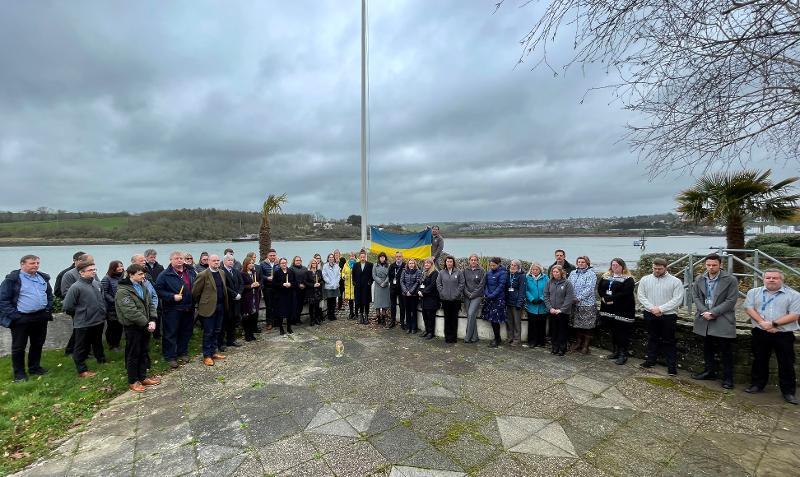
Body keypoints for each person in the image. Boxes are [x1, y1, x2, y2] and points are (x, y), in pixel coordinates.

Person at [743, 269, 800, 405]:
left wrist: (774, 324)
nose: (771, 280)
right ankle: (757, 384)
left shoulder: (794, 295)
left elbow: (794, 315)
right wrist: (763, 323)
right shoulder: (754, 292)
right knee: (759, 359)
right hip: (760, 332)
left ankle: (788, 392)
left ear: (781, 280)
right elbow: (749, 308)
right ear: (764, 279)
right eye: (768, 278)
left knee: (786, 363)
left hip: (783, 334)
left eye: (775, 278)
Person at [0, 255, 54, 382]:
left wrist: (47, 309)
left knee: (37, 343)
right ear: (22, 264)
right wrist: (15, 316)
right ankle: (19, 374)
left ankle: (34, 367)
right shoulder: (12, 280)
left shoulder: (43, 278)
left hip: (40, 317)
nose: (35, 265)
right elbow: (3, 300)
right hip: (21, 318)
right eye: (32, 263)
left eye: (37, 263)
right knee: (19, 347)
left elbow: (49, 294)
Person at [691, 253, 739, 389]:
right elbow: (696, 297)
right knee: (708, 349)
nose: (711, 267)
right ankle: (709, 372)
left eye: (714, 265)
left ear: (720, 265)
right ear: (705, 265)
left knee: (726, 351)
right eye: (708, 265)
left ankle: (728, 379)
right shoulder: (700, 278)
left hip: (722, 318)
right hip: (704, 318)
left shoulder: (730, 280)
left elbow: (731, 300)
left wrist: (713, 312)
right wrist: (704, 311)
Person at [115, 264, 160, 392]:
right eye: (140, 274)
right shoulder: (123, 291)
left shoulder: (142, 286)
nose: (143, 276)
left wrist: (152, 319)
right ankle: (133, 380)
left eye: (143, 274)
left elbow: (150, 303)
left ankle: (143, 376)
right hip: (133, 327)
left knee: (144, 351)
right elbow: (130, 312)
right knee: (133, 353)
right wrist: (147, 323)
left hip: (145, 325)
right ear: (131, 275)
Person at [637, 257, 684, 376]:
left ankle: (671, 366)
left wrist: (661, 309)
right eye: (654, 268)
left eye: (659, 269)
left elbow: (677, 299)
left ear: (665, 268)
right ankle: (650, 361)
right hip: (650, 313)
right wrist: (653, 308)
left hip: (668, 315)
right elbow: (641, 296)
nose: (656, 271)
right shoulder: (645, 279)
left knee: (669, 340)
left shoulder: (675, 281)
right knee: (652, 338)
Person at [63, 259, 107, 377]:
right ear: (82, 273)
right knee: (81, 346)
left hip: (98, 320)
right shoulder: (75, 287)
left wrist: (102, 312)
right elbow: (68, 306)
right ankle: (82, 370)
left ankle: (101, 360)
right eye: (90, 270)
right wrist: (83, 313)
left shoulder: (97, 284)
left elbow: (101, 300)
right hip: (83, 323)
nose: (93, 272)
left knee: (98, 342)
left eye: (94, 269)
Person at [155, 251, 197, 369]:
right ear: (171, 260)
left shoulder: (190, 271)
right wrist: (171, 296)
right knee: (171, 333)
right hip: (173, 308)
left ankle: (182, 352)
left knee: (186, 331)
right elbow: (158, 290)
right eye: (176, 258)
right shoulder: (164, 274)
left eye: (181, 258)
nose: (179, 260)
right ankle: (170, 356)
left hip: (188, 306)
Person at [192, 255, 229, 366]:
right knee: (208, 332)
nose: (216, 262)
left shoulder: (222, 273)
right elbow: (195, 292)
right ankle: (207, 355)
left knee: (217, 330)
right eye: (214, 261)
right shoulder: (203, 275)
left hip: (221, 306)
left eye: (218, 260)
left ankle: (213, 352)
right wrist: (204, 302)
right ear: (208, 262)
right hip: (208, 308)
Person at [598, 258, 636, 364]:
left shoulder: (628, 279)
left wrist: (611, 299)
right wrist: (603, 298)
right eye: (613, 265)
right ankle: (616, 352)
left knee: (622, 332)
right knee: (613, 330)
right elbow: (600, 288)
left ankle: (623, 354)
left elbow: (625, 293)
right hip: (608, 308)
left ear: (622, 267)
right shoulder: (606, 276)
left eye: (617, 265)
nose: (614, 267)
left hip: (623, 308)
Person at [568, 256, 597, 354]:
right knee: (577, 324)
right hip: (574, 303)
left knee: (587, 325)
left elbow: (589, 288)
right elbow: (568, 285)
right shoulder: (573, 273)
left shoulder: (591, 274)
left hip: (587, 304)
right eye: (579, 262)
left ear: (587, 263)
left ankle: (586, 345)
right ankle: (578, 342)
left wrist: (578, 298)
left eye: (583, 262)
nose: (580, 263)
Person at [544, 265, 575, 356]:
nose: (555, 273)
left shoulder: (567, 283)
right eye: (553, 272)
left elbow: (569, 298)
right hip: (552, 311)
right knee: (554, 331)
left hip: (563, 313)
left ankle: (562, 348)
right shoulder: (549, 282)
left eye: (557, 272)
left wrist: (561, 310)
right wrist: (550, 308)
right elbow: (546, 296)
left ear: (561, 273)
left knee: (562, 331)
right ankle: (554, 347)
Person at [437, 255, 464, 343]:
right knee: (447, 319)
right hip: (445, 300)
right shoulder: (441, 273)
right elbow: (438, 284)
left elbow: (461, 284)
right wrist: (443, 293)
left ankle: (454, 337)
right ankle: (447, 337)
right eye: (447, 261)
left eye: (451, 261)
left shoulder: (458, 272)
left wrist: (456, 294)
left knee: (454, 319)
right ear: (445, 263)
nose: (449, 263)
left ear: (453, 263)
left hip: (456, 300)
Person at [482, 257, 508, 348]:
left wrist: (492, 295)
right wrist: (487, 293)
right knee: (492, 320)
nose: (492, 267)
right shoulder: (488, 273)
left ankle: (497, 338)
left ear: (499, 264)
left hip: (498, 299)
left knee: (495, 320)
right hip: (490, 299)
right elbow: (486, 285)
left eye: (494, 265)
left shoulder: (503, 273)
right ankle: (497, 338)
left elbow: (501, 286)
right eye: (491, 265)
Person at [100, 260, 124, 352]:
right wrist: (114, 301)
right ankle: (112, 345)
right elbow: (104, 293)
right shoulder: (106, 278)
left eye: (121, 266)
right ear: (113, 268)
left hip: (122, 307)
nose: (120, 268)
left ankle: (117, 344)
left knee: (119, 326)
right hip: (111, 308)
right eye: (118, 266)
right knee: (112, 326)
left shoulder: (123, 277)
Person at [220, 254, 243, 351]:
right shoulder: (222, 272)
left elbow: (241, 283)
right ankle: (221, 342)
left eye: (232, 260)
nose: (231, 262)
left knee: (233, 320)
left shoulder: (236, 271)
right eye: (229, 260)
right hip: (228, 300)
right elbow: (224, 286)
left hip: (237, 300)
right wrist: (234, 294)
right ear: (224, 261)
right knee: (225, 322)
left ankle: (231, 340)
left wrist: (240, 293)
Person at [524, 262, 548, 348]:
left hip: (542, 305)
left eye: (536, 269)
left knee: (541, 324)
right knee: (532, 325)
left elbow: (547, 289)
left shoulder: (545, 278)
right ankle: (532, 341)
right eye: (533, 269)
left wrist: (542, 298)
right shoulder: (527, 278)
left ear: (540, 270)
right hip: (532, 305)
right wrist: (531, 299)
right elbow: (526, 290)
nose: (534, 271)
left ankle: (541, 341)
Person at [463, 254, 485, 344]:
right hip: (467, 295)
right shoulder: (465, 270)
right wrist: (468, 293)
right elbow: (463, 283)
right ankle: (475, 337)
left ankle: (467, 337)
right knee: (470, 316)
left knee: (471, 313)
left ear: (477, 261)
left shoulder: (482, 270)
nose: (473, 261)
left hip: (477, 296)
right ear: (469, 261)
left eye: (475, 260)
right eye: (471, 260)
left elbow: (481, 285)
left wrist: (473, 294)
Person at [505, 259, 527, 347]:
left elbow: (522, 291)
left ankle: (517, 339)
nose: (512, 266)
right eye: (511, 265)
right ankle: (510, 337)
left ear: (518, 267)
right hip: (508, 301)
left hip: (516, 303)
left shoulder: (522, 276)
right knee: (509, 321)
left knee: (517, 322)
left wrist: (519, 303)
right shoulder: (508, 274)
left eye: (514, 265)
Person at [272, 258, 296, 335]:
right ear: (279, 264)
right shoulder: (277, 272)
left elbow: (295, 282)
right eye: (282, 263)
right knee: (281, 312)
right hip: (281, 295)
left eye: (285, 263)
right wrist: (282, 284)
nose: (284, 264)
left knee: (289, 312)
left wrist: (290, 284)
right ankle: (281, 328)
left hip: (289, 295)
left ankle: (289, 327)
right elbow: (274, 284)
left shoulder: (291, 271)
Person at [240, 257, 261, 341]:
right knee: (247, 316)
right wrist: (251, 286)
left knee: (254, 315)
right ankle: (247, 334)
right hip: (246, 298)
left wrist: (258, 284)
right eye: (250, 263)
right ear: (246, 264)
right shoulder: (242, 273)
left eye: (252, 263)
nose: (252, 264)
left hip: (255, 297)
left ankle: (251, 333)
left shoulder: (254, 272)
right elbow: (241, 286)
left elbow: (260, 281)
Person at [419, 257, 440, 339]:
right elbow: (421, 283)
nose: (426, 264)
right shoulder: (424, 272)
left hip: (432, 299)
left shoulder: (435, 273)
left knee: (430, 317)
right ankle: (427, 330)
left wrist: (423, 292)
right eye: (425, 263)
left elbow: (432, 285)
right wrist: (419, 291)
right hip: (424, 299)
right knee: (425, 316)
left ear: (432, 264)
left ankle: (431, 333)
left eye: (428, 263)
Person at [400, 259, 422, 334]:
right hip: (405, 295)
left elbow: (417, 282)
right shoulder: (404, 271)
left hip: (414, 295)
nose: (411, 264)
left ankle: (414, 327)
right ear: (408, 264)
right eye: (410, 263)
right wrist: (406, 291)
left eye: (412, 263)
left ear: (414, 264)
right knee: (407, 311)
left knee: (413, 311)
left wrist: (411, 291)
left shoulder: (418, 271)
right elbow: (401, 281)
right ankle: (408, 327)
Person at [352, 251, 374, 324]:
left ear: (365, 257)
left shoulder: (370, 265)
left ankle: (366, 316)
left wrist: (370, 282)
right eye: (361, 257)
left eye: (363, 257)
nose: (362, 258)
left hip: (366, 287)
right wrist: (354, 282)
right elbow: (353, 274)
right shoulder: (355, 265)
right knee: (360, 302)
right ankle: (361, 315)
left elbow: (372, 275)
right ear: (359, 257)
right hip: (358, 287)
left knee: (366, 302)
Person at [260, 249, 279, 331]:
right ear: (267, 256)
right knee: (269, 306)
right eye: (271, 255)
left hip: (277, 288)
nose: (272, 257)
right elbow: (260, 275)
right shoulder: (262, 264)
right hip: (267, 288)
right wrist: (267, 278)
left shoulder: (278, 263)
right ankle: (269, 323)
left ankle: (276, 321)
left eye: (274, 255)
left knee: (276, 305)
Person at [372, 252, 391, 327]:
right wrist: (380, 282)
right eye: (381, 257)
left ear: (385, 258)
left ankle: (383, 318)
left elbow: (389, 275)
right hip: (378, 285)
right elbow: (373, 275)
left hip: (385, 286)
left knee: (384, 304)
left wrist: (385, 282)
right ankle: (378, 318)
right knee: (378, 303)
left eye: (383, 257)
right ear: (379, 258)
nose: (382, 258)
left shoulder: (388, 266)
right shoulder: (375, 265)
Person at [388, 252, 406, 329]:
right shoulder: (392, 266)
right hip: (393, 289)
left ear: (402, 257)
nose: (398, 258)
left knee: (402, 306)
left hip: (401, 289)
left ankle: (402, 322)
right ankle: (393, 321)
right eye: (397, 256)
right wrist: (392, 283)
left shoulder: (405, 265)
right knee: (393, 305)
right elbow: (389, 276)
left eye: (400, 256)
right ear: (395, 257)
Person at [305, 257, 324, 326]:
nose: (314, 264)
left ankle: (316, 319)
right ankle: (312, 320)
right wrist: (313, 285)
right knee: (311, 307)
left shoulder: (319, 271)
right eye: (312, 263)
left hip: (318, 292)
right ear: (310, 264)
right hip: (310, 292)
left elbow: (322, 280)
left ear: (316, 264)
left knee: (317, 307)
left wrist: (319, 284)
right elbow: (305, 282)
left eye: (315, 263)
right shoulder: (307, 272)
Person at [322, 253, 341, 321]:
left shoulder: (336, 266)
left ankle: (333, 314)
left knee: (334, 301)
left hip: (335, 286)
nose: (331, 258)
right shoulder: (325, 266)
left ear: (334, 258)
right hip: (329, 286)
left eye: (332, 257)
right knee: (329, 301)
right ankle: (329, 315)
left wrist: (336, 282)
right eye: (330, 257)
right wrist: (329, 282)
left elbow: (339, 274)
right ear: (328, 258)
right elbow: (324, 275)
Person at [290, 256, 308, 325]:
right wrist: (298, 285)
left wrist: (304, 284)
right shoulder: (291, 269)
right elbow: (291, 279)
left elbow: (307, 278)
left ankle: (298, 319)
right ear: (294, 261)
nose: (298, 261)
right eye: (297, 260)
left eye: (299, 260)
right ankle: (293, 320)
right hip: (294, 290)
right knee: (295, 305)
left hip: (303, 290)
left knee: (300, 306)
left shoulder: (305, 268)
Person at [341, 252, 356, 319]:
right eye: (350, 256)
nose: (351, 257)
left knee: (356, 300)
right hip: (348, 285)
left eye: (353, 256)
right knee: (350, 300)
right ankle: (351, 313)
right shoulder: (346, 264)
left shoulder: (357, 263)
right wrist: (343, 276)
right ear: (349, 257)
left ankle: (356, 313)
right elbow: (343, 272)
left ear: (355, 256)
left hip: (355, 285)